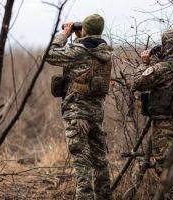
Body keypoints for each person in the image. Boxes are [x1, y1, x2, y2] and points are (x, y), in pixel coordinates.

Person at [46, 14, 112, 200]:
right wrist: (79, 36)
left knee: (82, 164)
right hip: (96, 115)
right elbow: (85, 56)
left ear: (84, 30)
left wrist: (64, 35)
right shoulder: (105, 53)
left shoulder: (79, 52)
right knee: (100, 162)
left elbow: (50, 55)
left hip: (77, 115)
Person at [130, 29, 173, 199]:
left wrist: (145, 63)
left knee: (165, 169)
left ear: (165, 45)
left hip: (164, 126)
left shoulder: (162, 68)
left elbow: (137, 83)